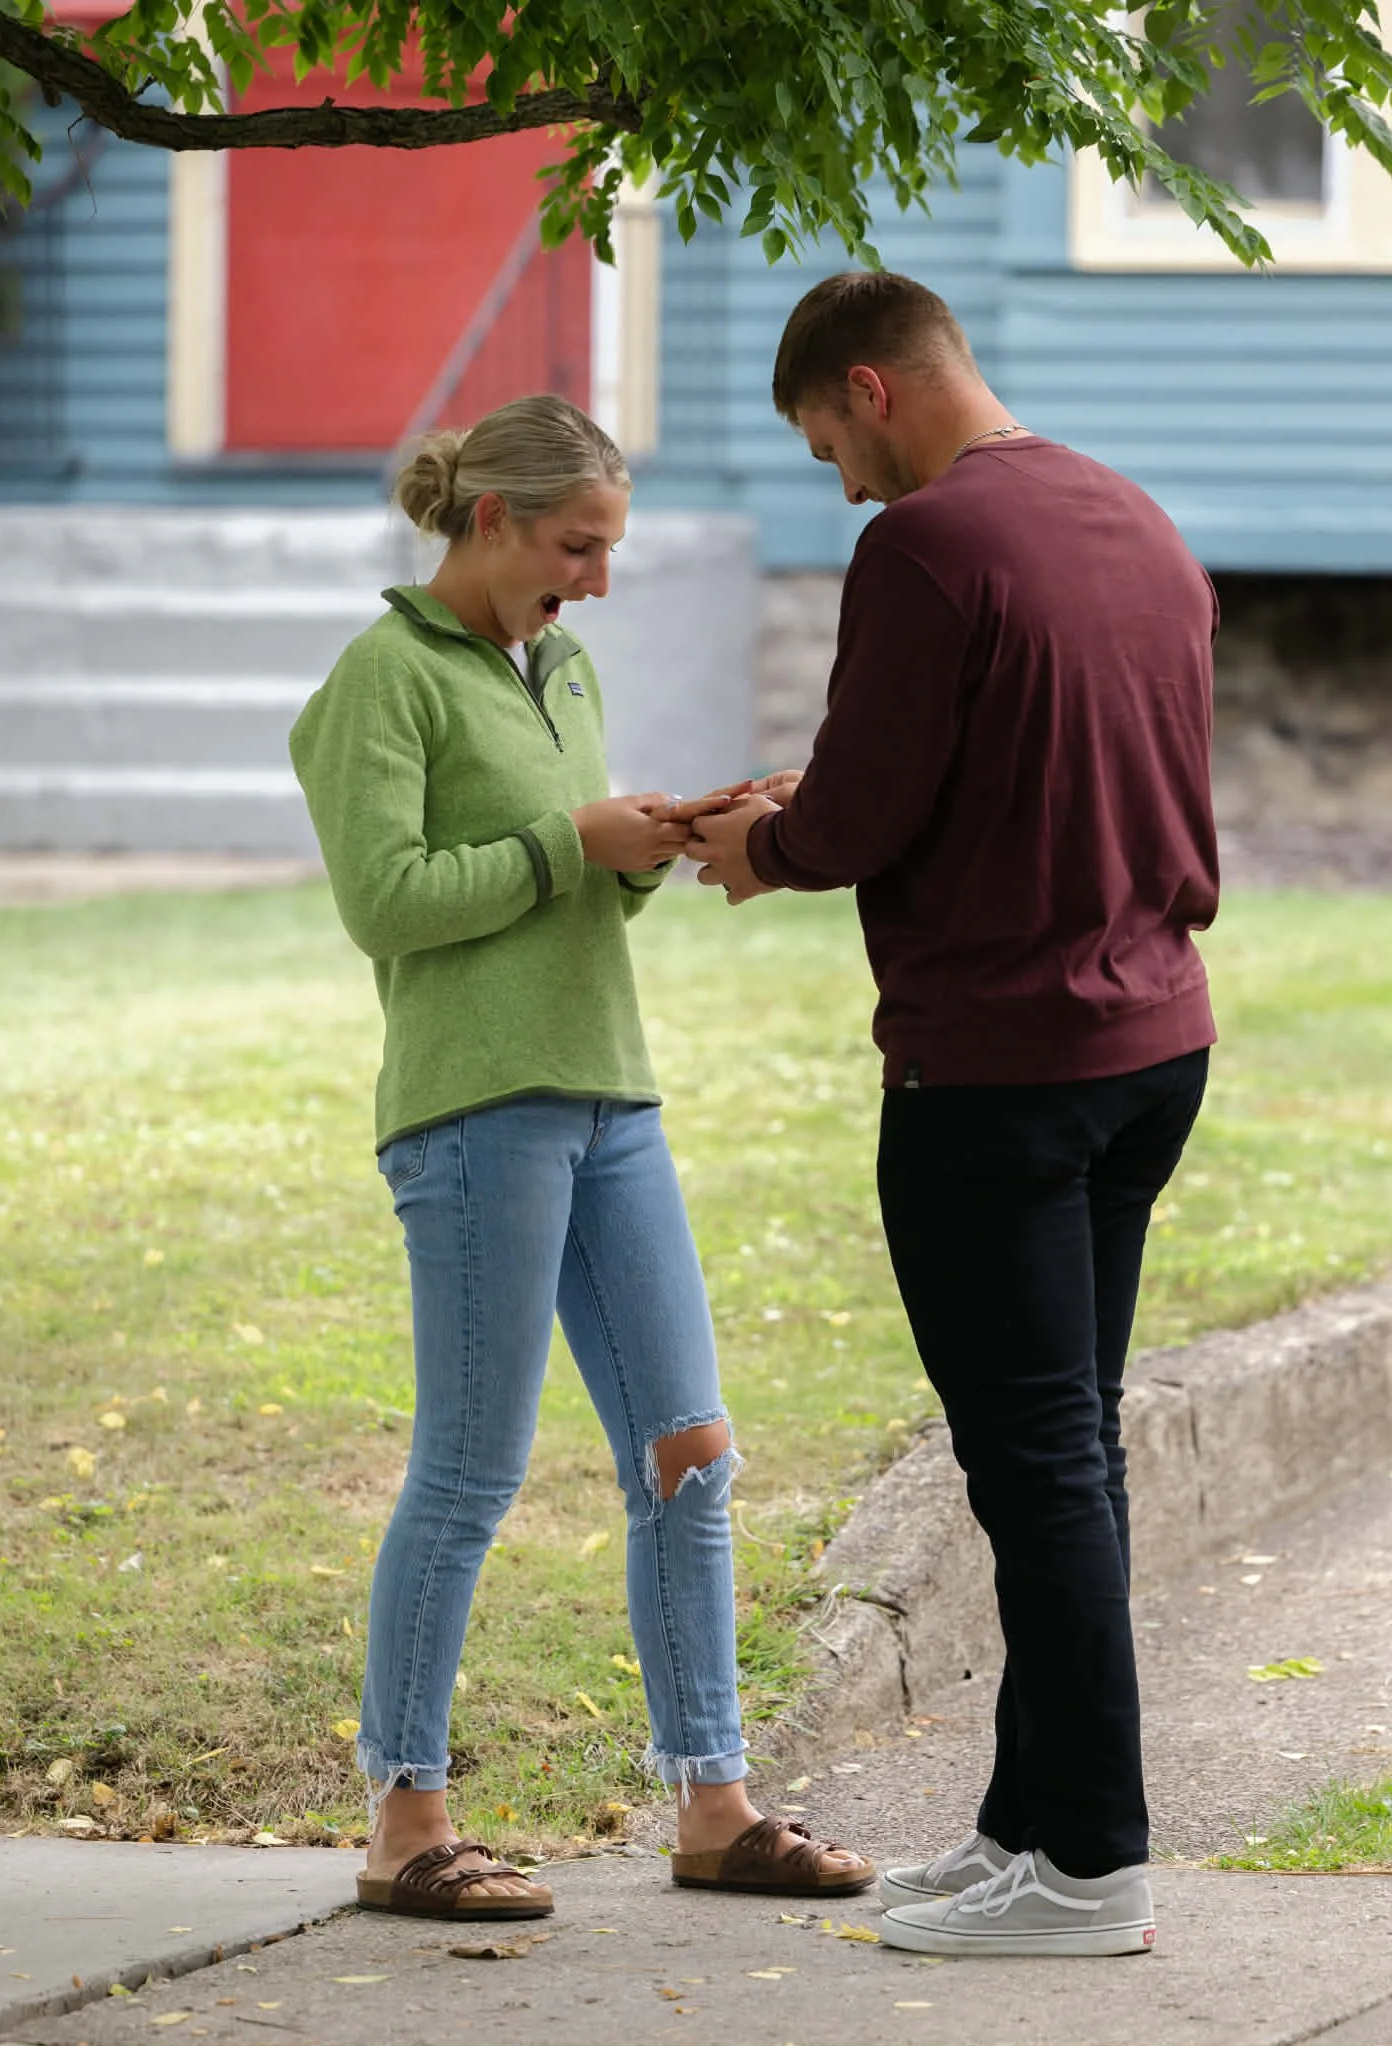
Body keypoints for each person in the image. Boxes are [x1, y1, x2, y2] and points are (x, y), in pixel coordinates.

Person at [683, 273, 1219, 1958]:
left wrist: (761, 845)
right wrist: (825, 800)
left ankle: (1094, 1869)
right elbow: (1005, 767)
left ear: (870, 388)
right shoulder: (1130, 517)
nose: (843, 486)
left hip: (998, 1075)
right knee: (1067, 1453)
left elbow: (860, 817)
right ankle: (1021, 1830)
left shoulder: (923, 545)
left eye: (828, 446)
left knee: (1038, 1471)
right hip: (1149, 1045)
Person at [289, 394, 873, 1922]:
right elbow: (387, 902)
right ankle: (405, 1822)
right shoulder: (382, 678)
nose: (598, 580)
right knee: (470, 1468)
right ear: (489, 519)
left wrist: (664, 839)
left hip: (614, 1093)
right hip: (475, 1107)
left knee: (690, 1452)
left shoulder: (560, 667)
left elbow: (568, 885)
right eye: (576, 547)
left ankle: (714, 1805)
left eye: (610, 550)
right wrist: (571, 844)